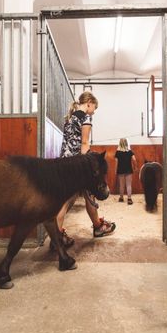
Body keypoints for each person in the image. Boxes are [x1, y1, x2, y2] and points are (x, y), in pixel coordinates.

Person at [52, 91, 116, 249]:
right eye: (94, 107)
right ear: (89, 103)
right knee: (86, 195)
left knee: (68, 200)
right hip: (77, 164)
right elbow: (85, 143)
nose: (94, 111)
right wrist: (86, 166)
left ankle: (57, 236)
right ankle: (95, 228)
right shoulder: (86, 117)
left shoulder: (70, 117)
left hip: (63, 162)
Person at [114, 138, 137, 205]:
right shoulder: (130, 151)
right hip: (129, 170)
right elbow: (134, 159)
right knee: (129, 185)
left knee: (121, 185)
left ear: (120, 143)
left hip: (120, 170)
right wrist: (135, 167)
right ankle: (129, 199)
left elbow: (116, 162)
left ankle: (121, 198)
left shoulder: (117, 152)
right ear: (127, 143)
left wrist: (115, 170)